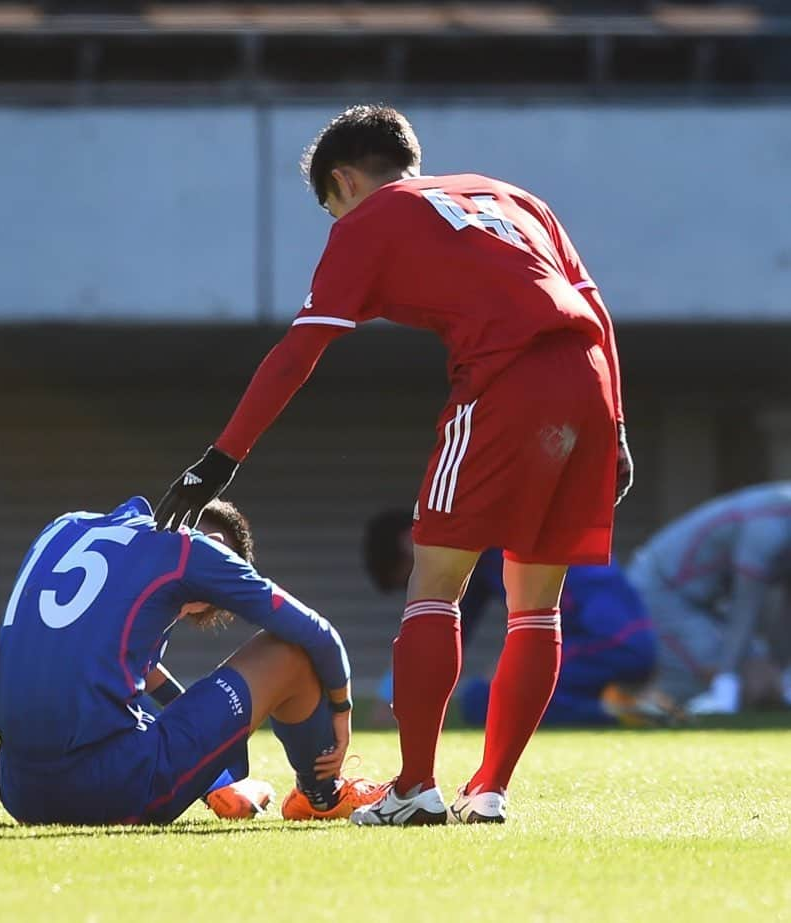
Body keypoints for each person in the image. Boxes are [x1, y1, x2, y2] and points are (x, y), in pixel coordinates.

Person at [155, 105, 632, 825]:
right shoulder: (510, 195)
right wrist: (617, 425)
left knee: (435, 582)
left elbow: (298, 353)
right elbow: (591, 305)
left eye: (328, 206)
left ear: (343, 179)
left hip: (506, 380)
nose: (333, 221)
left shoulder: (370, 219)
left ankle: (414, 786)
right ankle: (490, 789)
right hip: (590, 380)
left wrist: (221, 458)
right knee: (536, 598)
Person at [0, 496, 382, 826]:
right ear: (211, 541)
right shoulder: (187, 548)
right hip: (107, 790)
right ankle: (322, 795)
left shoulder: (66, 527)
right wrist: (342, 714)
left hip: (18, 790)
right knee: (290, 652)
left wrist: (208, 753)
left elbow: (124, 668)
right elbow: (320, 635)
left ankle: (218, 784)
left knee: (119, 713)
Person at [364, 511, 663, 729]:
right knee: (492, 691)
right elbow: (441, 629)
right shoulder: (481, 551)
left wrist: (389, 700)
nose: (418, 588)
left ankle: (616, 710)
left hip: (608, 644)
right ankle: (624, 704)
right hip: (628, 642)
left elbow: (435, 625)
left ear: (409, 543)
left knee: (484, 699)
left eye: (411, 579)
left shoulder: (474, 540)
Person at [628, 483, 791, 715]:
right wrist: (726, 685)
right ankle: (644, 703)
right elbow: (745, 609)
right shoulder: (769, 526)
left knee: (762, 677)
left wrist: (781, 672)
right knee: (725, 678)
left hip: (709, 603)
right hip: (663, 587)